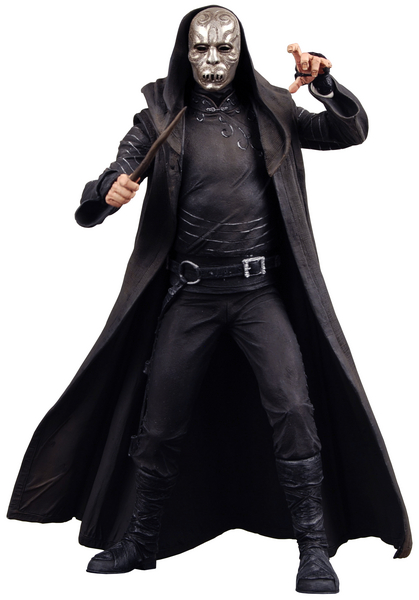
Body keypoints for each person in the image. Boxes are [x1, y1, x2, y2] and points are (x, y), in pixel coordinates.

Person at [7, 5, 411, 595]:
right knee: (159, 424)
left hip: (259, 295)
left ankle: (314, 550)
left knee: (294, 412)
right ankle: (140, 540)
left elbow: (347, 131)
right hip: (192, 296)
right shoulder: (160, 117)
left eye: (225, 48)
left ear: (241, 54)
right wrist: (108, 190)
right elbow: (114, 175)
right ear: (184, 52)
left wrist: (324, 83)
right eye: (201, 48)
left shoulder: (272, 111)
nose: (213, 61)